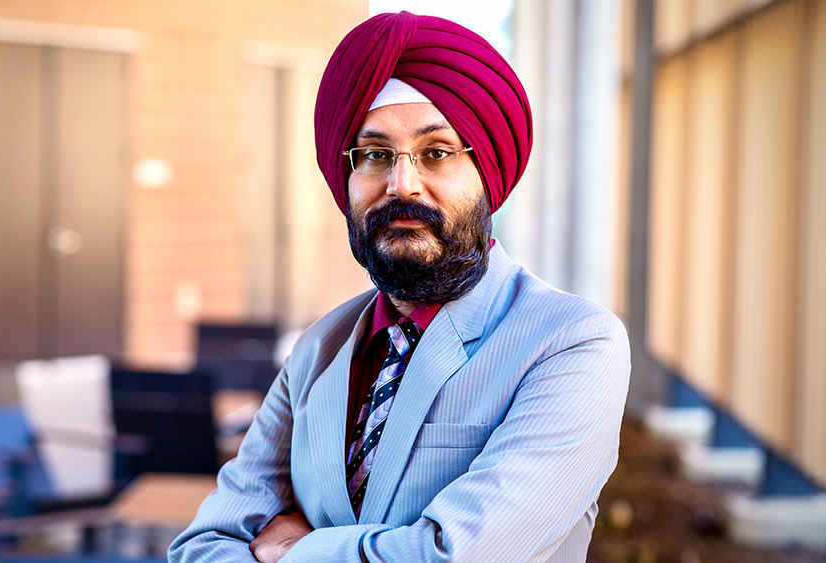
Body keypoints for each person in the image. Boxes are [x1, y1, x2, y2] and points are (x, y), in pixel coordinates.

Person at [168, 11, 629, 563]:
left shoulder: (571, 343)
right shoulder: (319, 350)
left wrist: (293, 550)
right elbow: (200, 547)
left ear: (488, 174)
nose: (401, 182)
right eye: (375, 155)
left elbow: (457, 554)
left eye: (436, 152)